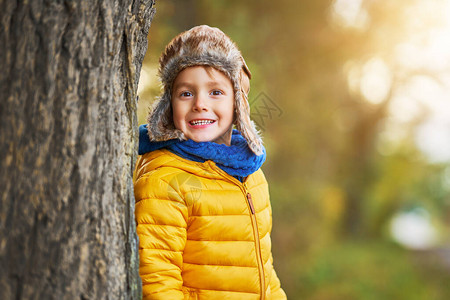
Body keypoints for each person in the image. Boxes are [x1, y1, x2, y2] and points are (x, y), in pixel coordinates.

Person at [134, 25, 287, 300]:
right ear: (169, 104)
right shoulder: (164, 179)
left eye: (215, 92)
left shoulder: (251, 172)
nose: (200, 104)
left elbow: (265, 268)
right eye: (186, 93)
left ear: (237, 103)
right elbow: (158, 282)